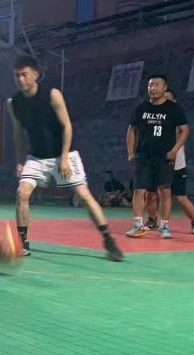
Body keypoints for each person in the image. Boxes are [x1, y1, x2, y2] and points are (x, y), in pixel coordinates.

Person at [9, 55, 123, 262]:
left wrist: (63, 158)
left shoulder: (52, 95)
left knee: (84, 195)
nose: (20, 79)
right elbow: (18, 135)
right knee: (22, 193)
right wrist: (19, 160)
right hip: (37, 156)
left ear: (35, 74)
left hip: (64, 153)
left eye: (24, 74)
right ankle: (23, 242)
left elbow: (67, 126)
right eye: (16, 75)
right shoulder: (14, 103)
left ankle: (108, 240)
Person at [125, 74, 189, 239]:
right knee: (139, 190)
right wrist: (131, 152)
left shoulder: (174, 109)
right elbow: (132, 130)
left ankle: (164, 226)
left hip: (164, 157)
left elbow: (184, 130)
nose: (152, 88)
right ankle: (138, 225)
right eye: (150, 85)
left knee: (164, 191)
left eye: (156, 85)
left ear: (164, 88)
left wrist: (175, 149)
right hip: (143, 156)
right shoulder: (141, 108)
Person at [156, 89, 194, 234]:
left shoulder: (177, 117)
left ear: (174, 101)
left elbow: (179, 135)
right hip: (161, 163)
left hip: (177, 164)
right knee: (162, 195)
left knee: (181, 197)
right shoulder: (157, 117)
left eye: (168, 98)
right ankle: (162, 224)